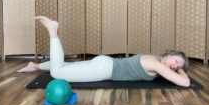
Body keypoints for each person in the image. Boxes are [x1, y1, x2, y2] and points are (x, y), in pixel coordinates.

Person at [17, 16, 190, 87]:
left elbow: (175, 71)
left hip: (104, 63)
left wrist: (178, 64)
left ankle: (35, 66)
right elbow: (185, 83)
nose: (176, 66)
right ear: (169, 53)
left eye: (178, 65)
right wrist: (181, 69)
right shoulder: (157, 64)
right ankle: (53, 30)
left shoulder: (157, 58)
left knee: (65, 65)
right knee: (57, 72)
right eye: (177, 60)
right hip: (104, 69)